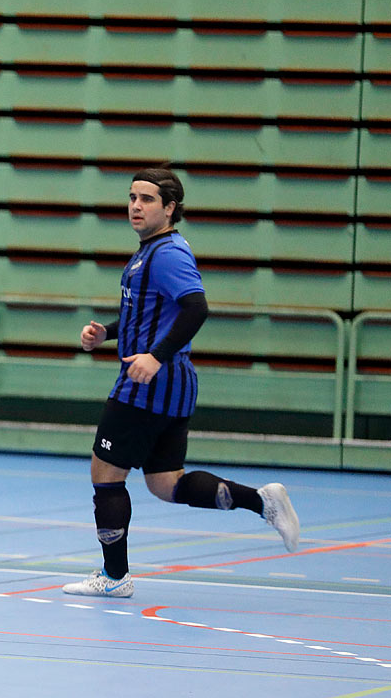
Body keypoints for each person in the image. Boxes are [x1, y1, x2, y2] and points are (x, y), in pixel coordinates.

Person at [64, 166, 299, 598]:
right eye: (132, 197)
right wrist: (108, 334)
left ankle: (115, 578)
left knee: (106, 473)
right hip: (172, 386)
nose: (136, 206)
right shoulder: (150, 250)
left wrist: (154, 356)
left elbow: (196, 309)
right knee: (166, 484)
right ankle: (262, 501)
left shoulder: (167, 253)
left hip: (147, 384)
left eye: (147, 199)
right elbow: (153, 316)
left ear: (170, 208)